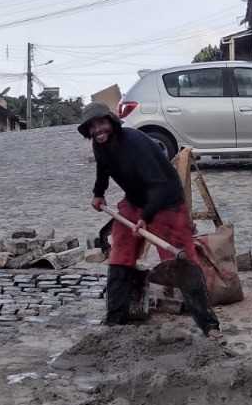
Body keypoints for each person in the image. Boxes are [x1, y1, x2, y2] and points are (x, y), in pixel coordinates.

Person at [78, 102, 219, 333]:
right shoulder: (100, 144)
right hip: (135, 201)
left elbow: (160, 185)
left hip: (166, 202)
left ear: (111, 122)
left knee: (182, 264)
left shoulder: (135, 143)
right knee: (120, 254)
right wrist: (98, 193)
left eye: (101, 123)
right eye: (92, 127)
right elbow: (103, 169)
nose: (97, 130)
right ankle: (115, 321)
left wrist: (146, 216)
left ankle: (209, 326)